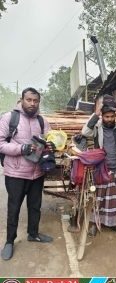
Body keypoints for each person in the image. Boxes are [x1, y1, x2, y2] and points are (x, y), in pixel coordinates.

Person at [0, 87, 55, 261]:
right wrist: (21, 148)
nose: (32, 103)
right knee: (14, 207)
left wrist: (51, 146)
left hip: (37, 172)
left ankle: (33, 234)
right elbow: (1, 144)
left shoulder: (42, 121)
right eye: (29, 100)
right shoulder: (10, 118)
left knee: (35, 206)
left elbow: (49, 140)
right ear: (22, 100)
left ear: (39, 102)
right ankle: (9, 241)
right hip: (15, 173)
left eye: (35, 101)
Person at [81, 94, 116, 235]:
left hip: (115, 167)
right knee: (98, 196)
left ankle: (111, 222)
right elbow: (85, 132)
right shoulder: (97, 127)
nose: (109, 119)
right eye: (106, 117)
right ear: (102, 117)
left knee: (113, 198)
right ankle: (94, 223)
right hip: (100, 167)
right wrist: (95, 114)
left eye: (111, 116)